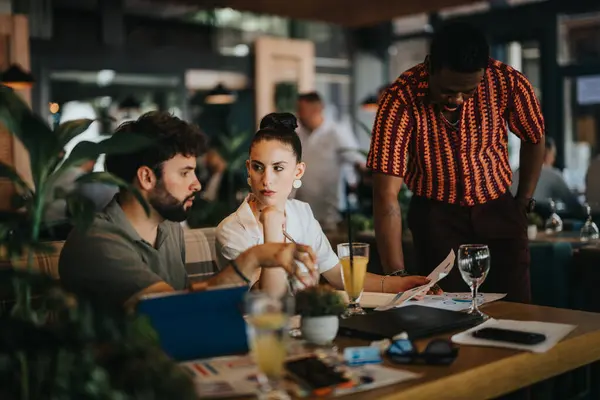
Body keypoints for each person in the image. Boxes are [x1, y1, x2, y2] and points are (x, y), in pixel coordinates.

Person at [59, 111, 318, 311]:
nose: (197, 184)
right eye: (185, 173)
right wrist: (253, 258)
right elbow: (175, 309)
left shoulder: (168, 227)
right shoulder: (98, 242)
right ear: (147, 178)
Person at [368, 22, 545, 303]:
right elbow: (385, 194)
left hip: (498, 210)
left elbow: (534, 136)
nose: (458, 100)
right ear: (431, 67)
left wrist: (523, 199)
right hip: (436, 218)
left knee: (515, 308)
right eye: (448, 91)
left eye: (469, 92)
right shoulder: (401, 97)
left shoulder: (508, 81)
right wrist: (396, 275)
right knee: (445, 310)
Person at [216, 112, 431, 298]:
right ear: (248, 169)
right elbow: (271, 304)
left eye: (278, 168)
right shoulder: (232, 231)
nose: (267, 179)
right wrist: (272, 225)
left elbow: (337, 274)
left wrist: (400, 285)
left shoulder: (302, 213)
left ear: (298, 171)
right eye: (258, 167)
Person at [295, 92, 367, 230]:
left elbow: (356, 159)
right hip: (300, 211)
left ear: (317, 109)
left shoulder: (336, 132)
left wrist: (366, 172)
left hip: (328, 213)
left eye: (302, 110)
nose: (299, 114)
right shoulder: (297, 134)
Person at [511, 137, 581, 217]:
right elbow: (574, 205)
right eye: (553, 155)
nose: (554, 159)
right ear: (546, 154)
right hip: (542, 223)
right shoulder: (553, 174)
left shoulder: (515, 173)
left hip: (515, 221)